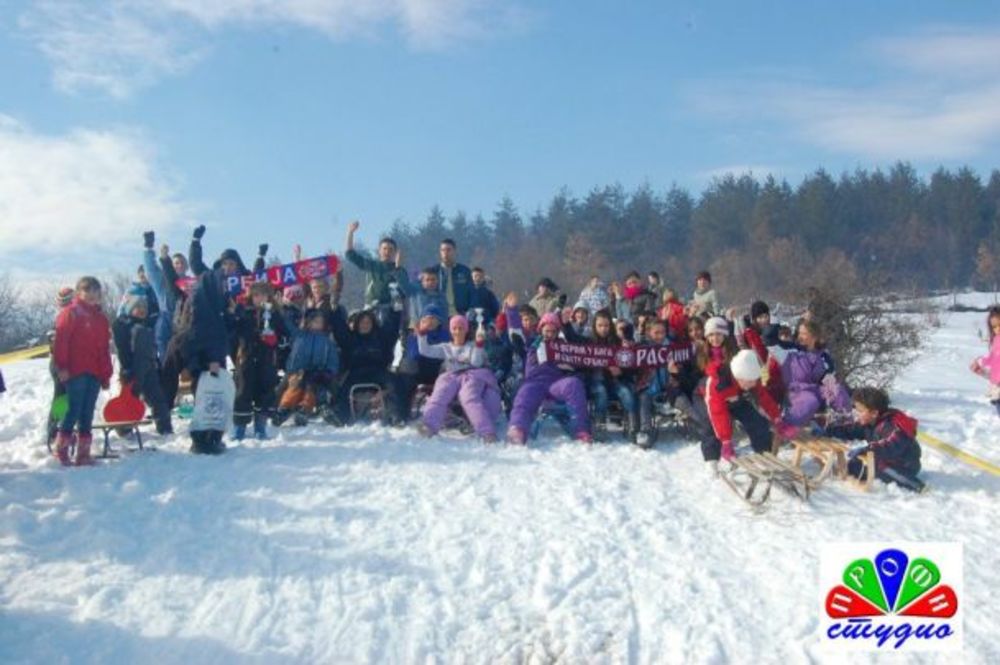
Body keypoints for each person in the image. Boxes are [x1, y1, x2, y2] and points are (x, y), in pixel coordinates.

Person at [697, 350, 797, 474]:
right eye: (750, 381)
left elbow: (764, 398)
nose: (754, 384)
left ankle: (764, 454)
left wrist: (777, 420)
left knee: (756, 421)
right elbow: (718, 414)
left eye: (755, 380)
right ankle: (711, 462)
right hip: (706, 398)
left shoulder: (750, 377)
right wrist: (726, 441)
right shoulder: (718, 382)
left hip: (734, 398)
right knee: (710, 425)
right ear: (738, 376)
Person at [187, 246, 247, 454]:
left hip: (216, 351)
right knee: (207, 394)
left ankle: (213, 436)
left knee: (217, 395)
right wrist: (196, 242)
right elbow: (203, 332)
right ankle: (202, 439)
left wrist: (234, 312)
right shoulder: (206, 289)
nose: (229, 269)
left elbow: (228, 327)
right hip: (207, 354)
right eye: (225, 265)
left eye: (232, 265)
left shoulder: (220, 299)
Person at [52, 277, 113, 466]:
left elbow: (104, 349)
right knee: (72, 408)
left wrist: (106, 374)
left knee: (87, 412)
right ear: (79, 293)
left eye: (97, 292)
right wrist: (61, 367)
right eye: (89, 291)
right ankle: (61, 448)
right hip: (75, 370)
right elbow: (61, 342)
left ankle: (83, 453)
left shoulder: (101, 319)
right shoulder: (71, 313)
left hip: (94, 372)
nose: (94, 296)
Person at [506, 312, 591, 444]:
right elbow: (517, 333)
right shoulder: (532, 343)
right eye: (547, 331)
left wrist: (569, 367)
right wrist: (512, 311)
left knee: (574, 384)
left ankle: (581, 430)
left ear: (557, 332)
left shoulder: (564, 346)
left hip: (556, 382)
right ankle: (518, 428)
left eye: (553, 331)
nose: (549, 334)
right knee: (524, 394)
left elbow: (578, 358)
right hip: (535, 381)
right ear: (541, 330)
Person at [821, 387, 924, 492]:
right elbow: (851, 429)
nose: (856, 414)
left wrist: (867, 450)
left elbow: (889, 446)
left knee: (879, 467)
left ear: (874, 413)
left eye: (860, 411)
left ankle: (914, 484)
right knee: (854, 466)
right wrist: (828, 431)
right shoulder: (869, 422)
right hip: (885, 459)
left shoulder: (892, 426)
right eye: (856, 410)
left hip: (905, 465)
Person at [416, 314, 502, 441]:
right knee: (440, 393)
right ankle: (429, 425)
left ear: (466, 330)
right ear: (451, 330)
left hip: (472, 375)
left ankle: (486, 432)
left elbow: (476, 362)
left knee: (468, 397)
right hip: (451, 375)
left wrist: (478, 345)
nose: (457, 332)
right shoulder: (446, 347)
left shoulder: (472, 345)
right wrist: (422, 333)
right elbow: (425, 350)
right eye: (454, 328)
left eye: (461, 328)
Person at [232, 282, 290, 440]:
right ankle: (239, 427)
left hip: (267, 360)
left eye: (263, 294)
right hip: (247, 358)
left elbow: (285, 335)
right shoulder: (245, 312)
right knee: (243, 392)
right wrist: (236, 316)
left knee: (265, 392)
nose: (260, 298)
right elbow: (234, 333)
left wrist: (276, 340)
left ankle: (260, 426)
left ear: (269, 296)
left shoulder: (275, 314)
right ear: (251, 296)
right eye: (256, 295)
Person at [112, 291, 173, 435]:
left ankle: (165, 428)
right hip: (133, 367)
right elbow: (122, 348)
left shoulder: (147, 326)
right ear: (130, 309)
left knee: (158, 398)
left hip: (149, 367)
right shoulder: (125, 325)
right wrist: (126, 368)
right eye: (138, 307)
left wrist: (157, 364)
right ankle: (124, 429)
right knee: (130, 398)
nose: (141, 311)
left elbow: (152, 348)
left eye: (144, 308)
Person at [634, 319, 699, 448]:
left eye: (662, 332)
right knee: (644, 400)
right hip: (649, 387)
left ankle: (702, 425)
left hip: (670, 386)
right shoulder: (642, 348)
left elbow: (682, 365)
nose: (660, 336)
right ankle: (645, 431)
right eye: (656, 333)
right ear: (649, 333)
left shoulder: (673, 347)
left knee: (683, 401)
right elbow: (633, 364)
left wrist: (676, 370)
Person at [275, 309, 340, 426]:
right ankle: (284, 408)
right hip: (297, 371)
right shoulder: (299, 335)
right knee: (295, 387)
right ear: (308, 322)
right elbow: (287, 325)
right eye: (315, 321)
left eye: (320, 322)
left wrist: (330, 371)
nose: (318, 324)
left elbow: (333, 359)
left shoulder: (326, 341)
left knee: (312, 388)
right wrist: (282, 309)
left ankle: (304, 409)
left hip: (317, 371)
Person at [781, 319, 851, 426]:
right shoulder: (793, 351)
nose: (800, 336)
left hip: (817, 389)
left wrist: (831, 386)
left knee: (838, 390)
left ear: (814, 336)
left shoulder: (822, 355)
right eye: (799, 333)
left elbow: (828, 376)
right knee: (810, 400)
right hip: (796, 390)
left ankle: (846, 423)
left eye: (804, 333)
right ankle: (787, 426)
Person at [344, 220, 410, 331]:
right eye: (384, 248)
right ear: (379, 250)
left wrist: (398, 267)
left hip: (390, 310)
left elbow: (405, 292)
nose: (387, 252)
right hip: (371, 307)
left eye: (390, 249)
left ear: (395, 252)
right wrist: (350, 232)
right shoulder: (372, 265)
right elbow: (350, 255)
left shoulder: (400, 270)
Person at [587, 309, 637, 442]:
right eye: (600, 326)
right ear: (595, 326)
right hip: (596, 381)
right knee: (601, 392)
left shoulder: (617, 342)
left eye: (606, 326)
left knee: (626, 392)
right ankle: (600, 424)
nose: (603, 329)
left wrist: (621, 371)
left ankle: (633, 424)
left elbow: (628, 364)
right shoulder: (589, 342)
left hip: (614, 380)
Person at [970, 305, 1000, 417]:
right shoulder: (996, 341)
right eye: (994, 326)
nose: (998, 329)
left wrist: (980, 362)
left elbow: (993, 359)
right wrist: (980, 370)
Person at [431, 238, 473, 316]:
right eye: (443, 250)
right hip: (438, 315)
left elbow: (472, 294)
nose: (445, 253)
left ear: (455, 251)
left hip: (460, 314)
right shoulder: (433, 271)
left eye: (448, 250)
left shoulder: (465, 271)